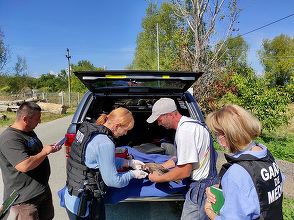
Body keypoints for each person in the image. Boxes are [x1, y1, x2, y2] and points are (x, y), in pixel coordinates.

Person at [64, 107, 148, 220]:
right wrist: (133, 174)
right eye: (126, 129)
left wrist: (127, 162)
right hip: (85, 204)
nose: (126, 133)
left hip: (72, 195)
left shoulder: (88, 129)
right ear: (117, 126)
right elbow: (113, 181)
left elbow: (94, 161)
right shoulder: (105, 143)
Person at [204, 104, 284, 220]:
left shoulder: (237, 172)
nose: (217, 138)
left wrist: (209, 210)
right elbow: (263, 186)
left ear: (227, 135)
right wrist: (223, 187)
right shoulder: (264, 153)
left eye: (217, 134)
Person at [146, 98, 218, 220]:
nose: (159, 123)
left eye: (159, 119)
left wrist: (158, 178)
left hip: (200, 189)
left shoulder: (185, 131)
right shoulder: (193, 124)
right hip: (209, 183)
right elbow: (183, 156)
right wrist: (163, 166)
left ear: (169, 114)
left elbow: (184, 171)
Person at [0, 101, 61, 220]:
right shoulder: (9, 139)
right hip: (24, 200)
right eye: (37, 119)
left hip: (41, 191)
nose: (40, 122)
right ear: (25, 119)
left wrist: (49, 149)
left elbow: (36, 153)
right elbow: (24, 165)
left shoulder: (29, 131)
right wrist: (45, 152)